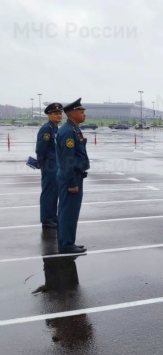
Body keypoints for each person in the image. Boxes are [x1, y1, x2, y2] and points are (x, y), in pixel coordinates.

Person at [56, 98, 90, 254]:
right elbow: (68, 160)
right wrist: (71, 183)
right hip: (71, 177)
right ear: (73, 113)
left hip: (74, 175)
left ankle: (68, 241)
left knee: (70, 211)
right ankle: (66, 244)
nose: (84, 114)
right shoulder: (69, 131)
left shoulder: (73, 129)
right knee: (68, 212)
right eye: (82, 112)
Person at [36, 102, 63, 229]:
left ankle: (53, 217)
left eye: (60, 113)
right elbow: (41, 148)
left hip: (55, 164)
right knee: (49, 192)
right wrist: (42, 164)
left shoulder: (55, 128)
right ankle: (46, 219)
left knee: (55, 192)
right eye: (55, 114)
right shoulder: (47, 128)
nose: (59, 116)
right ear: (49, 115)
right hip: (49, 164)